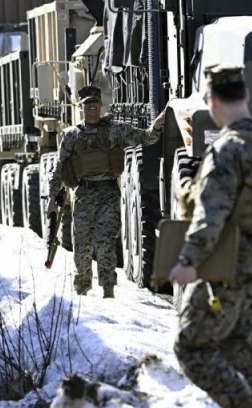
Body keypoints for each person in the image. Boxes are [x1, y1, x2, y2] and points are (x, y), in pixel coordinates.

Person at [169, 64, 252, 408]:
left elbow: (211, 214)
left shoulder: (225, 149)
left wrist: (189, 261)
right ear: (246, 95)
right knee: (238, 352)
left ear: (211, 102)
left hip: (230, 266)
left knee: (189, 346)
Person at [45, 85, 165, 298]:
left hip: (108, 193)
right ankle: (81, 291)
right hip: (84, 194)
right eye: (87, 104)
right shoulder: (71, 136)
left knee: (106, 243)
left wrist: (155, 128)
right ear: (80, 107)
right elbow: (59, 168)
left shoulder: (114, 130)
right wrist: (53, 199)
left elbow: (145, 138)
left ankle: (108, 291)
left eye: (95, 103)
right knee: (81, 246)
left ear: (100, 105)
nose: (91, 107)